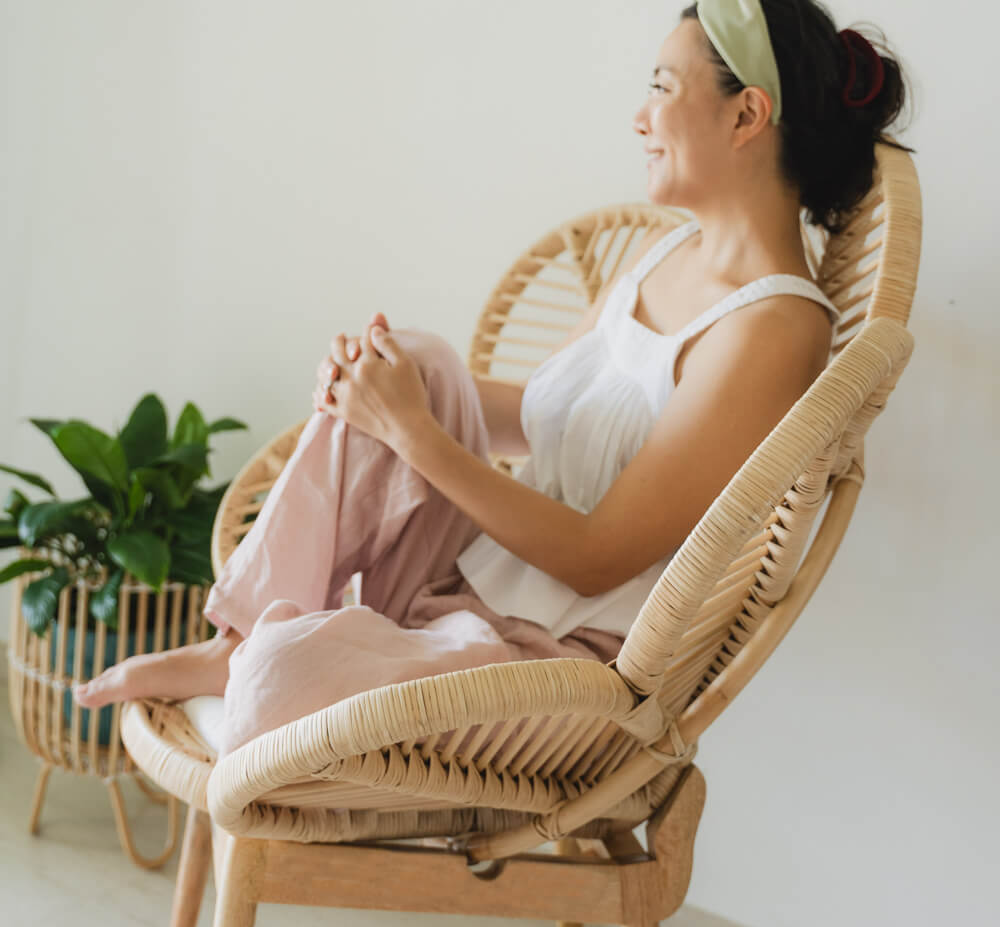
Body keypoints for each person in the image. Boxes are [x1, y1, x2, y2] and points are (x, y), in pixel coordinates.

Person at [73, 1, 912, 757]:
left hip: (549, 665)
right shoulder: (665, 254)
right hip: (462, 590)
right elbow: (536, 418)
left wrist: (414, 434)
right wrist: (384, 387)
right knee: (425, 357)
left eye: (661, 86)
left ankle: (260, 660)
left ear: (747, 114)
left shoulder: (775, 327)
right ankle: (239, 640)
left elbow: (594, 559)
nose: (639, 117)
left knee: (278, 685)